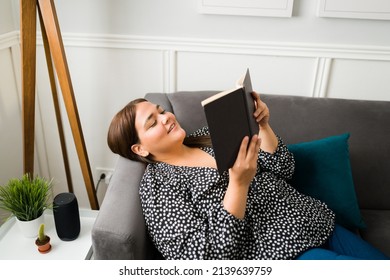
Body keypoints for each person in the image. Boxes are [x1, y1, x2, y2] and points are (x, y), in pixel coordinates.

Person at [107, 91, 389, 260]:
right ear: (140, 148)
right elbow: (203, 259)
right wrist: (238, 184)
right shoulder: (158, 187)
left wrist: (263, 126)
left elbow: (284, 168)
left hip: (315, 222)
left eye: (161, 111)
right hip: (280, 253)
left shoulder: (207, 136)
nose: (166, 117)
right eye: (152, 122)